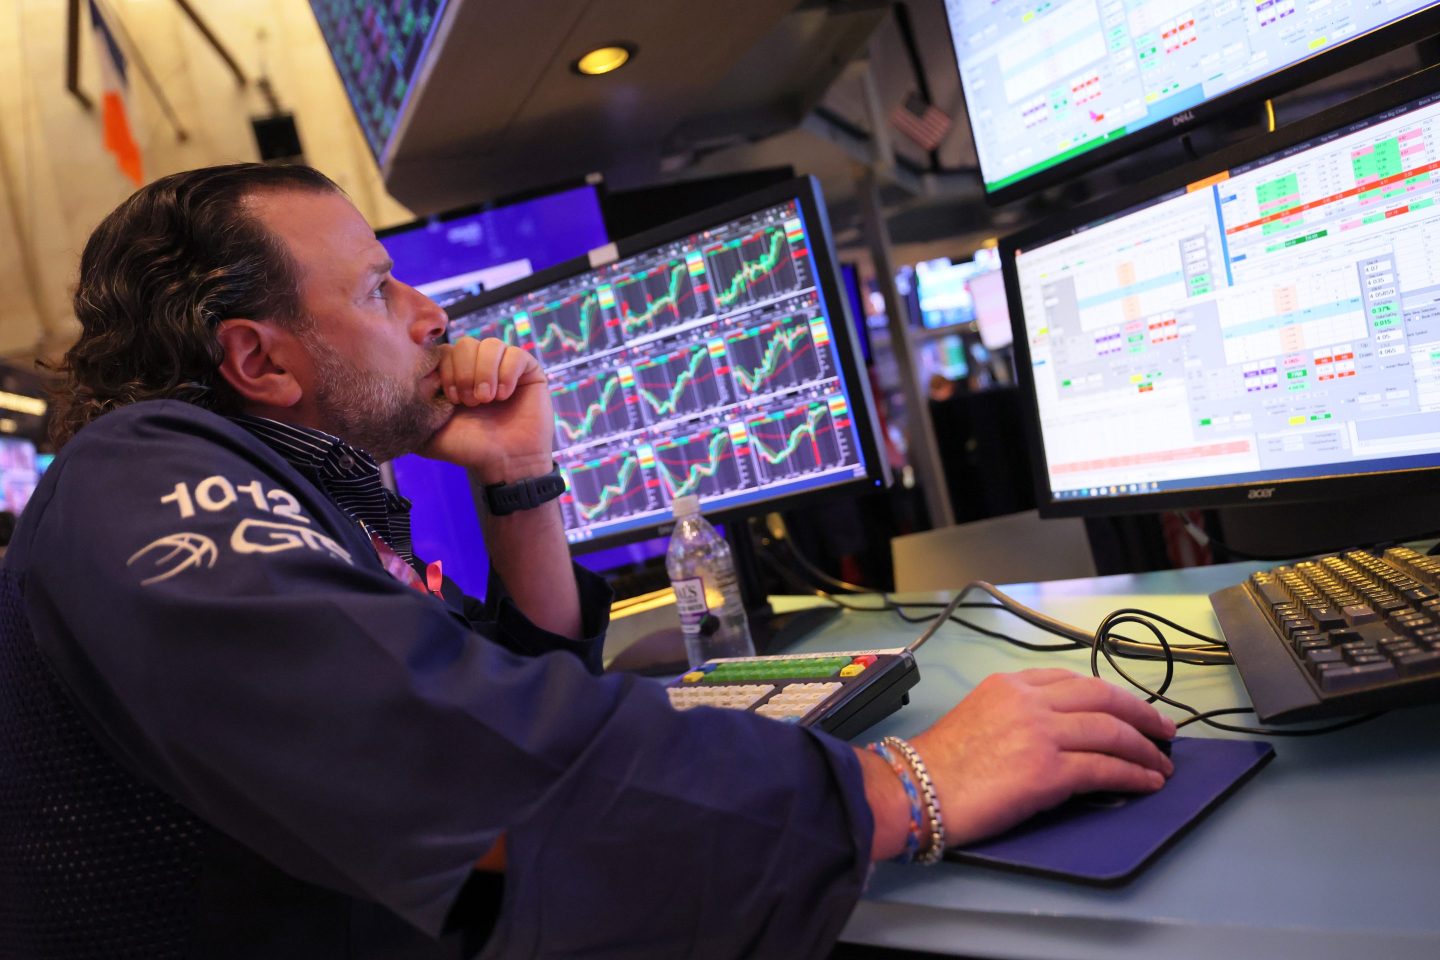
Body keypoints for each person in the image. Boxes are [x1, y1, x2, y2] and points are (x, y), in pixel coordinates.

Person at [0, 164, 1175, 959]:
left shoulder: (296, 492)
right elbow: (469, 768)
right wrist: (911, 785)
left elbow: (504, 675)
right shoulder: (139, 476)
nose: (430, 310)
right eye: (375, 287)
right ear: (259, 363)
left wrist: (515, 478)